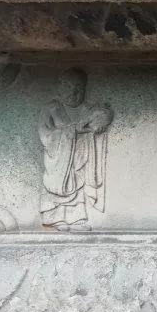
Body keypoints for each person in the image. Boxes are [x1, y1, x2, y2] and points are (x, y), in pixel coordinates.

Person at [38, 68, 113, 231]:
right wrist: (69, 132)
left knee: (78, 187)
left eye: (79, 88)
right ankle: (54, 218)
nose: (74, 92)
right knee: (58, 186)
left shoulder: (88, 109)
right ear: (60, 87)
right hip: (59, 159)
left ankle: (76, 219)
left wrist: (96, 130)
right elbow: (44, 134)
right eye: (69, 87)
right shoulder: (52, 108)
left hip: (80, 157)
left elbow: (95, 125)